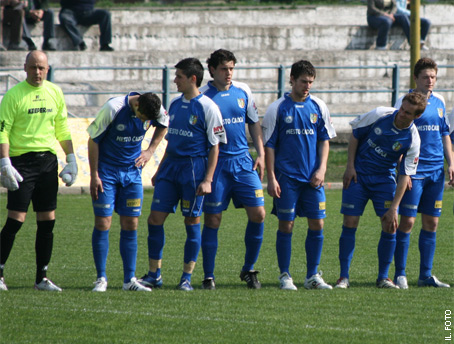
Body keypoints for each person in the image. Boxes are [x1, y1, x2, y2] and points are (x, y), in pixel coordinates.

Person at [139, 58, 226, 291]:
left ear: (192, 79)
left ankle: (186, 277)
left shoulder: (208, 107)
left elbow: (214, 146)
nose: (175, 80)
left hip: (193, 170)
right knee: (154, 220)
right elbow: (171, 141)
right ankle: (154, 274)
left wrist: (207, 180)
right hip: (171, 169)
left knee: (192, 222)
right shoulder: (175, 105)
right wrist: (159, 170)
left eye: (179, 76)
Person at [0, 51, 78, 292]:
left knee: (47, 221)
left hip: (48, 163)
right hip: (21, 162)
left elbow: (62, 127)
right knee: (16, 220)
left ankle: (41, 278)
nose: (37, 72)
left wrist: (71, 158)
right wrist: (4, 162)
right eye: (33, 67)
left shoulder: (54, 92)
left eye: (41, 68)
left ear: (48, 68)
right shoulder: (14, 95)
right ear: (25, 68)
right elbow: (3, 130)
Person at [335, 92, 426, 289]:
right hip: (358, 176)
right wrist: (349, 167)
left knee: (390, 224)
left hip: (384, 180)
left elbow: (404, 175)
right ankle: (343, 277)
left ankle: (383, 277)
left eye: (408, 113)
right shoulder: (379, 114)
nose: (401, 113)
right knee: (350, 222)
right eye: (402, 108)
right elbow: (355, 136)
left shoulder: (413, 139)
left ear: (416, 117)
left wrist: (394, 207)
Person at [262, 60, 336, 291]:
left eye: (311, 82)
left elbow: (325, 139)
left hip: (313, 178)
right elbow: (269, 147)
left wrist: (322, 169)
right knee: (287, 225)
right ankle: (285, 275)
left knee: (318, 223)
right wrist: (272, 178)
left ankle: (312, 275)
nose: (307, 86)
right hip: (287, 179)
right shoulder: (277, 109)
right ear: (292, 79)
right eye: (303, 81)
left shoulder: (319, 106)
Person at [87, 92, 168, 292]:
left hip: (132, 173)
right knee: (103, 222)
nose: (144, 122)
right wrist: (94, 175)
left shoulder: (154, 109)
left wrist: (150, 151)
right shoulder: (113, 108)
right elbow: (93, 140)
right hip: (107, 172)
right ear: (136, 104)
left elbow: (164, 125)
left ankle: (129, 280)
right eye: (142, 117)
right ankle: (101, 279)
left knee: (131, 223)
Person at [198, 49, 266, 290]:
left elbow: (254, 123)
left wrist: (261, 153)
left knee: (258, 214)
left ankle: (249, 269)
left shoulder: (243, 91)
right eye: (224, 69)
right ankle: (208, 276)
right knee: (213, 219)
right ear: (212, 70)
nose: (229, 73)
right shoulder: (204, 97)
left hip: (243, 162)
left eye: (232, 69)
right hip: (217, 167)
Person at [392, 58, 453, 289]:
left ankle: (426, 275)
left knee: (432, 222)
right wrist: (402, 170)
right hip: (414, 171)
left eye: (434, 77)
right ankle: (400, 274)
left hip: (436, 172)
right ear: (415, 78)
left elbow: (444, 133)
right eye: (426, 77)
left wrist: (451, 163)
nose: (430, 81)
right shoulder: (404, 101)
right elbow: (397, 133)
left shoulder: (439, 101)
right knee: (407, 221)